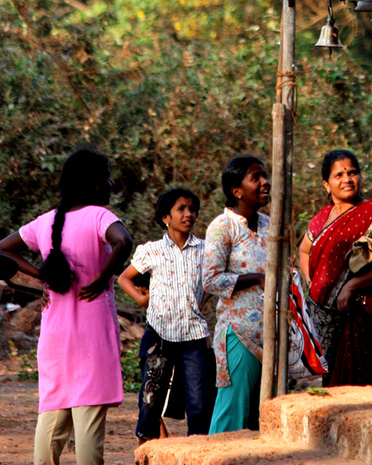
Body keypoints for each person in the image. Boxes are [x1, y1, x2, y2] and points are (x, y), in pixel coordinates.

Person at [0, 147, 132, 465]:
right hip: (92, 337)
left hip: (55, 337)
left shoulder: (44, 222)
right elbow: (123, 241)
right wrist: (102, 277)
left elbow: (3, 248)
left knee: (52, 420)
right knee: (87, 427)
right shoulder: (100, 217)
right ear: (97, 185)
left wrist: (41, 274)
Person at [118, 187, 213, 443]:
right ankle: (145, 454)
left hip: (193, 338)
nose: (188, 214)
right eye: (181, 209)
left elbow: (212, 284)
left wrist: (196, 304)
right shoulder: (152, 250)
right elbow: (125, 278)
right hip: (159, 336)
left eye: (192, 209)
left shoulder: (205, 250)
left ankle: (196, 453)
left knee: (199, 402)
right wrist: (141, 299)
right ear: (166, 218)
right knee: (150, 401)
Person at [299, 149, 372, 387]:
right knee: (333, 379)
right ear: (326, 185)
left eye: (352, 172)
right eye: (339, 175)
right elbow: (304, 250)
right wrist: (312, 285)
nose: (347, 179)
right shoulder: (321, 219)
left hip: (362, 312)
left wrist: (351, 285)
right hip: (323, 315)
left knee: (361, 379)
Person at [202, 155, 270, 433]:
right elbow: (211, 280)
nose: (265, 182)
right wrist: (256, 278)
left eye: (264, 176)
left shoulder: (268, 225)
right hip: (239, 334)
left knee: (260, 417)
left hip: (270, 335)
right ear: (236, 190)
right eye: (256, 177)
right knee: (232, 414)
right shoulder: (223, 227)